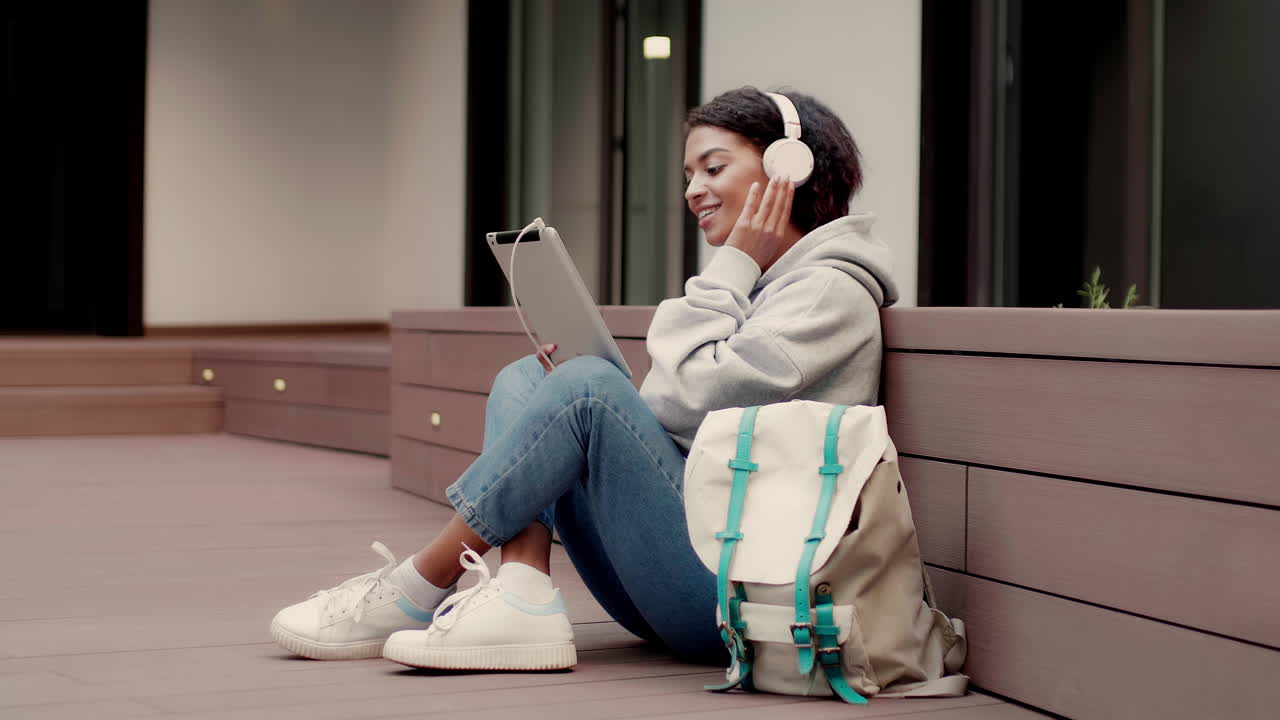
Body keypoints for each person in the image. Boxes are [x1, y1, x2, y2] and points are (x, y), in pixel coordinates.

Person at [269, 86, 899, 669]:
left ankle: (416, 585)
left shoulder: (827, 295)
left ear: (789, 168)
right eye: (688, 176)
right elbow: (688, 409)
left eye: (713, 168)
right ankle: (523, 593)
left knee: (588, 385)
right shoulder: (767, 286)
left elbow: (682, 400)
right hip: (684, 567)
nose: (692, 191)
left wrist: (731, 266)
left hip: (740, 601)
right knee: (528, 380)